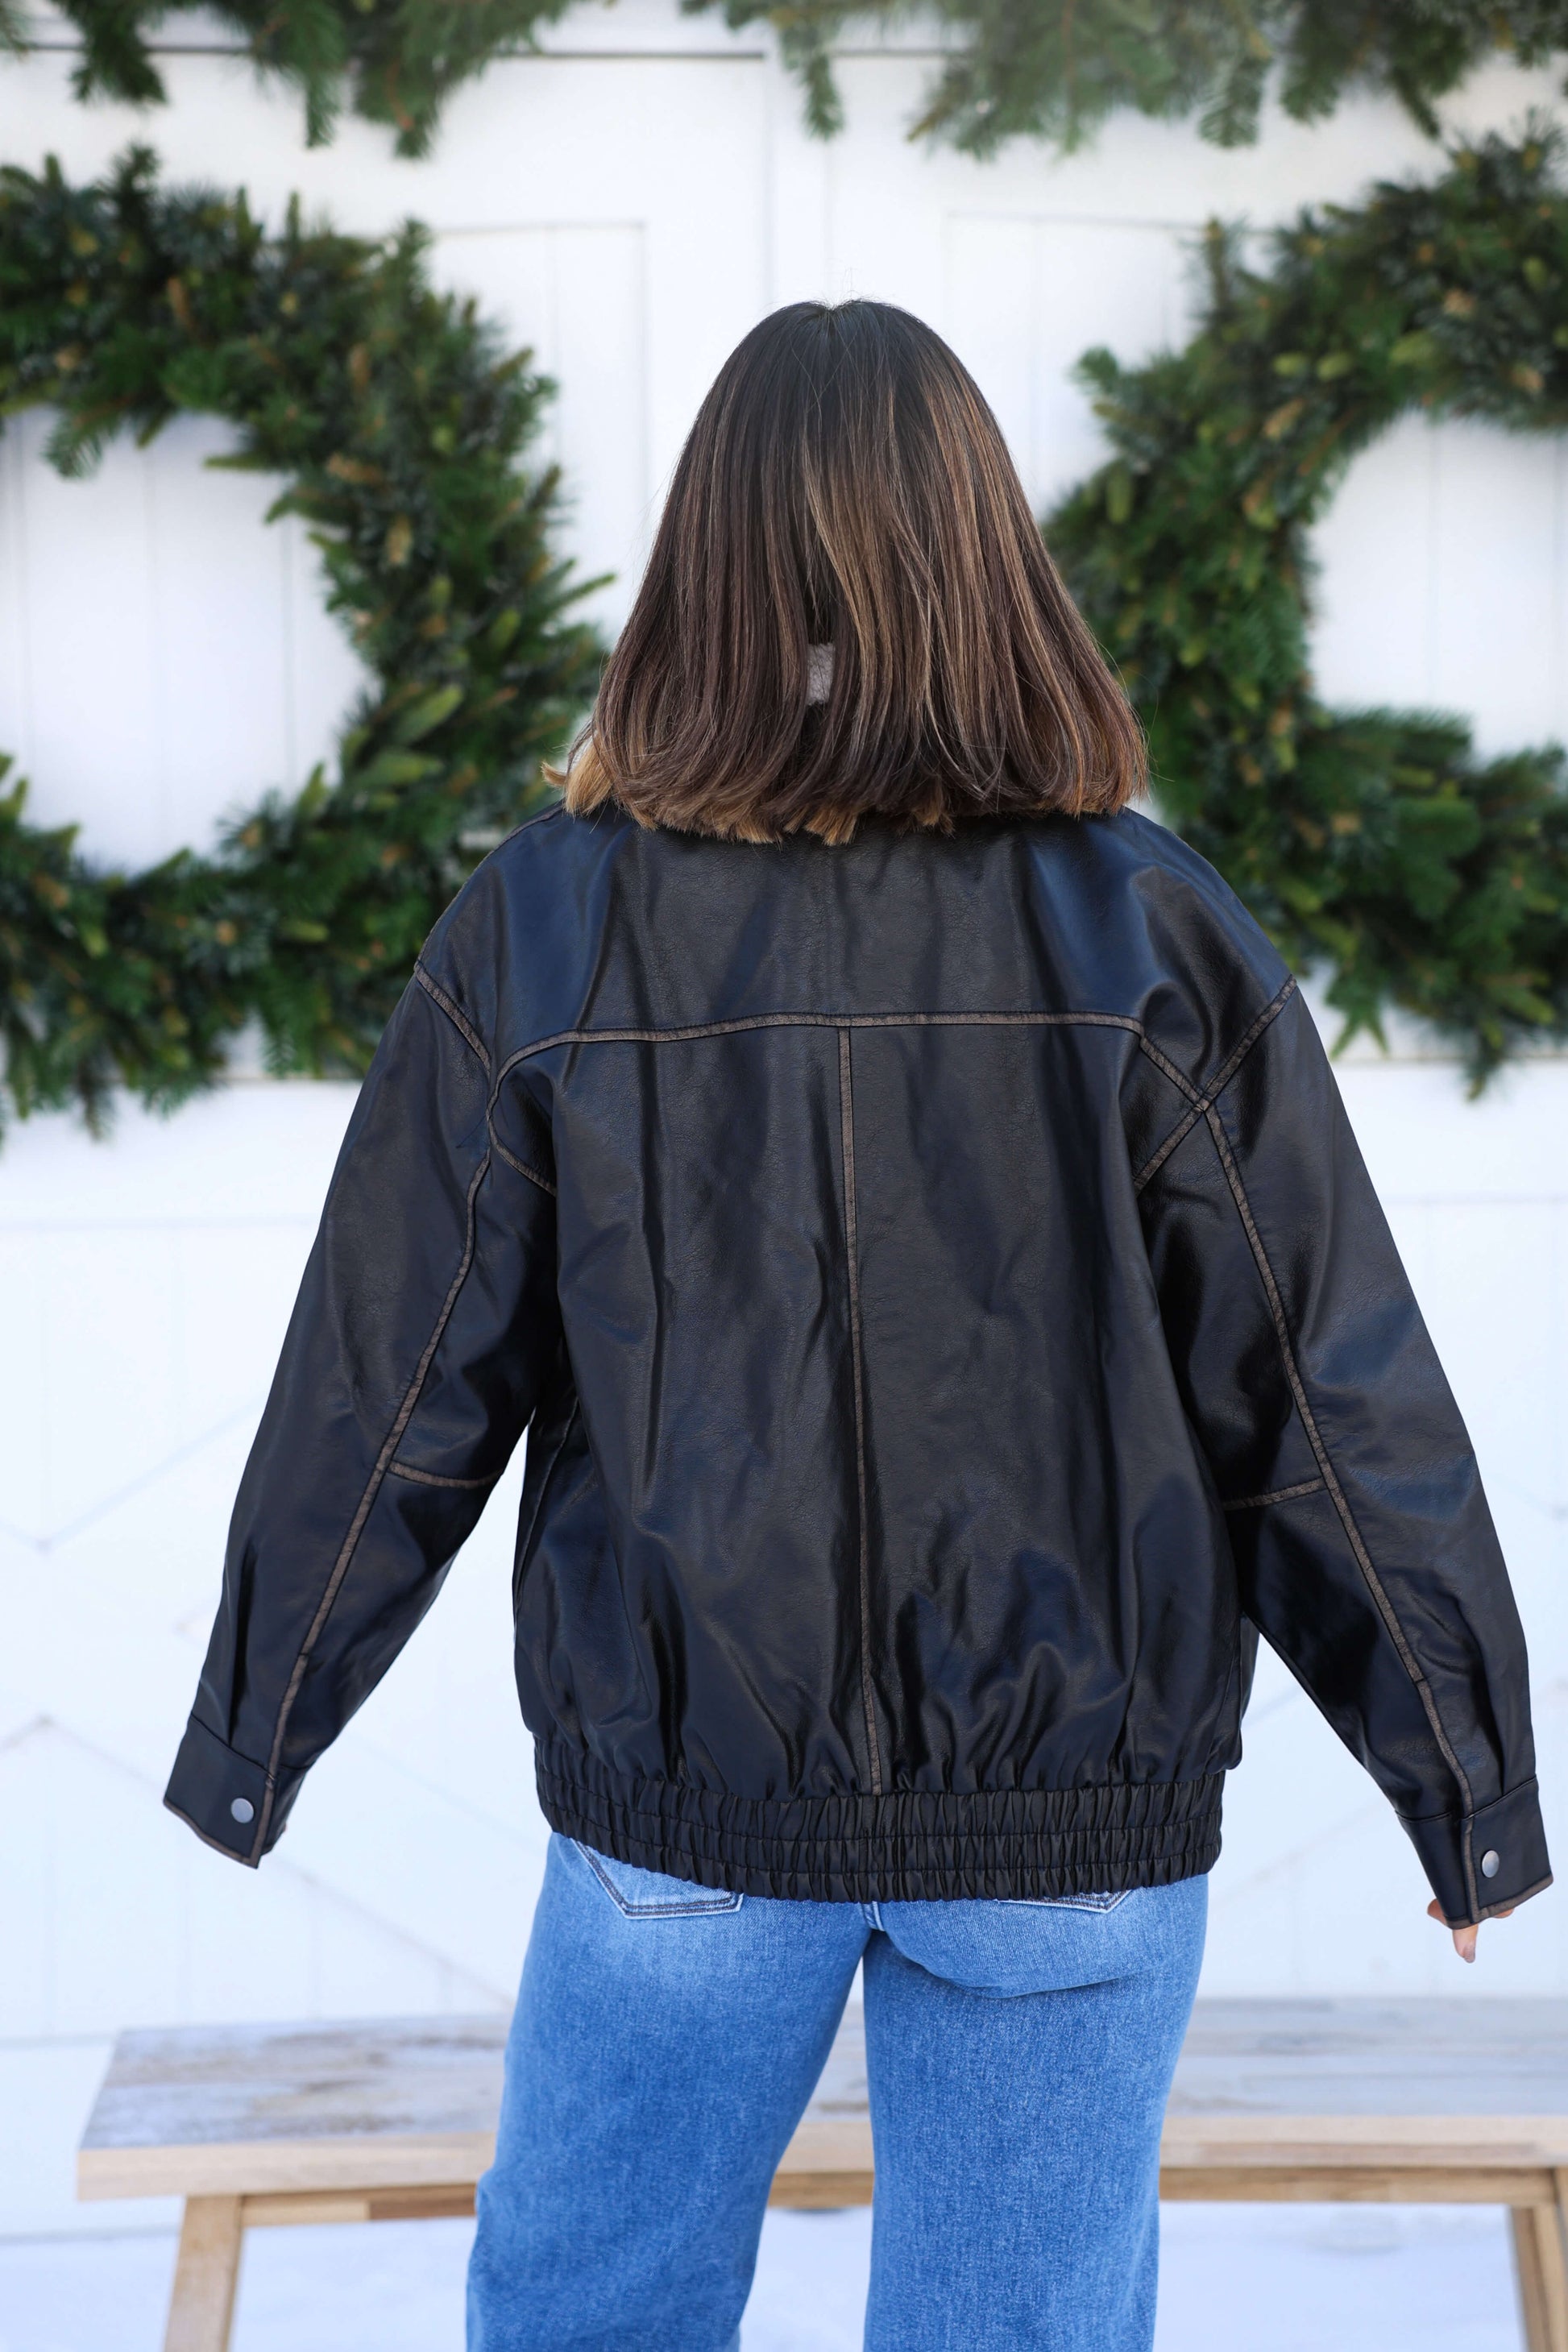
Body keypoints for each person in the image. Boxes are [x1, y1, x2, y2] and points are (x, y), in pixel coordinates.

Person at [165, 300, 1549, 2352]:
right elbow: (1320, 1386)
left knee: (584, 2322)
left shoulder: (552, 916)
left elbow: (392, 1383)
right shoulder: (1152, 924)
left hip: (684, 1825)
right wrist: (1462, 1777)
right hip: (1074, 1822)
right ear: (989, 554)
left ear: (695, 568)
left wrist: (253, 1734)